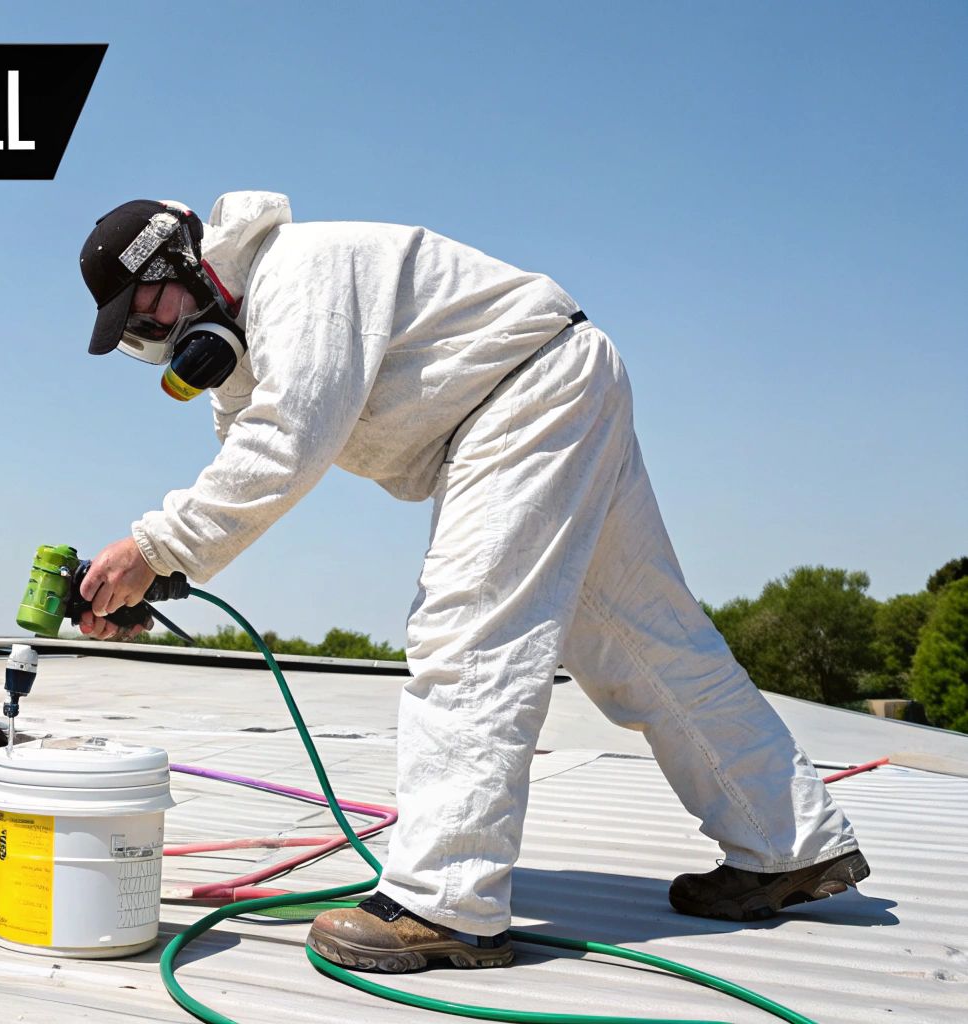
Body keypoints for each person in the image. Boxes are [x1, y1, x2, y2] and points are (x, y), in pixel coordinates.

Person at [73, 193, 869, 973]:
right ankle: (789, 844)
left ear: (186, 262)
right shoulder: (247, 350)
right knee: (644, 641)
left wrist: (152, 548)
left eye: (151, 314)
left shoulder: (300, 276)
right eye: (142, 337)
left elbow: (286, 448)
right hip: (549, 386)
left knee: (469, 633)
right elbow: (247, 464)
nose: (159, 337)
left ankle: (445, 905)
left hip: (523, 394)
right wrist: (155, 579)